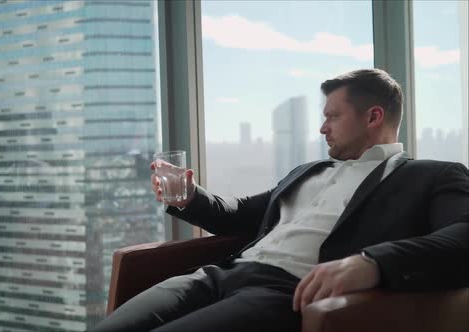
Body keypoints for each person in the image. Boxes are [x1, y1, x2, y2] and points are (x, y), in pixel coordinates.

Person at [92, 69, 469, 332]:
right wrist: (189, 196)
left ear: (373, 116)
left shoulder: (432, 175)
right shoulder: (308, 171)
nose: (322, 128)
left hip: (281, 293)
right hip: (216, 276)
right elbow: (236, 214)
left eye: (333, 116)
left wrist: (371, 264)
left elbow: (463, 236)